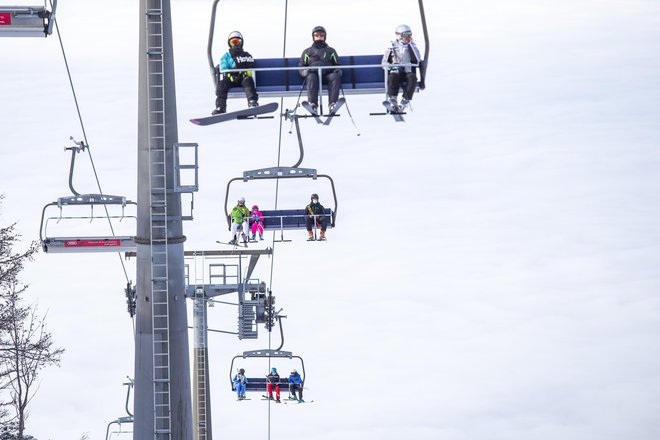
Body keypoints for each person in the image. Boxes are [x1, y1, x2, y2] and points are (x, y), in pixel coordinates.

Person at [213, 31, 259, 115]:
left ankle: (252, 101)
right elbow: (224, 68)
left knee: (248, 80)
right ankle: (220, 107)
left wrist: (245, 74)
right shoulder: (226, 56)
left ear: (241, 43)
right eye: (233, 42)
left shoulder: (246, 55)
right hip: (231, 79)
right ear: (229, 44)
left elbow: (251, 66)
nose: (235, 44)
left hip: (243, 78)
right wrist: (231, 76)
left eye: (237, 42)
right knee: (222, 84)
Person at [299, 26, 342, 113]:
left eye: (321, 35)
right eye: (317, 35)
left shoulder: (331, 51)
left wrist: (338, 71)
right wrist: (304, 72)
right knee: (311, 77)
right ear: (313, 37)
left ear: (325, 37)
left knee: (335, 76)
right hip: (314, 75)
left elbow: (337, 64)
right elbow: (301, 66)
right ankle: (313, 104)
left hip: (327, 75)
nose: (319, 37)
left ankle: (332, 103)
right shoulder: (307, 52)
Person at [382, 24, 422, 111]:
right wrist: (391, 66)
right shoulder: (392, 47)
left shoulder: (412, 46)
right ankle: (393, 97)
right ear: (399, 36)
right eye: (406, 35)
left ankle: (405, 100)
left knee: (412, 78)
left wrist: (411, 46)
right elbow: (384, 63)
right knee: (393, 75)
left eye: (410, 35)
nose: (408, 37)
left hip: (408, 69)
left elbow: (417, 60)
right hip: (396, 68)